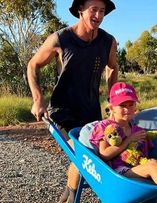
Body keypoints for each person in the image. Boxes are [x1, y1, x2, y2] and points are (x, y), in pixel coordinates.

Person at [27, 0, 118, 202]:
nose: (98, 16)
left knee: (89, 158)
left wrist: (114, 100)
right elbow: (33, 64)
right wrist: (38, 98)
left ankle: (68, 195)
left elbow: (112, 67)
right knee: (82, 154)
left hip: (91, 112)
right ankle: (70, 196)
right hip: (63, 111)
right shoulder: (60, 38)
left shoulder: (108, 41)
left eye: (102, 11)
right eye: (93, 10)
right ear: (80, 10)